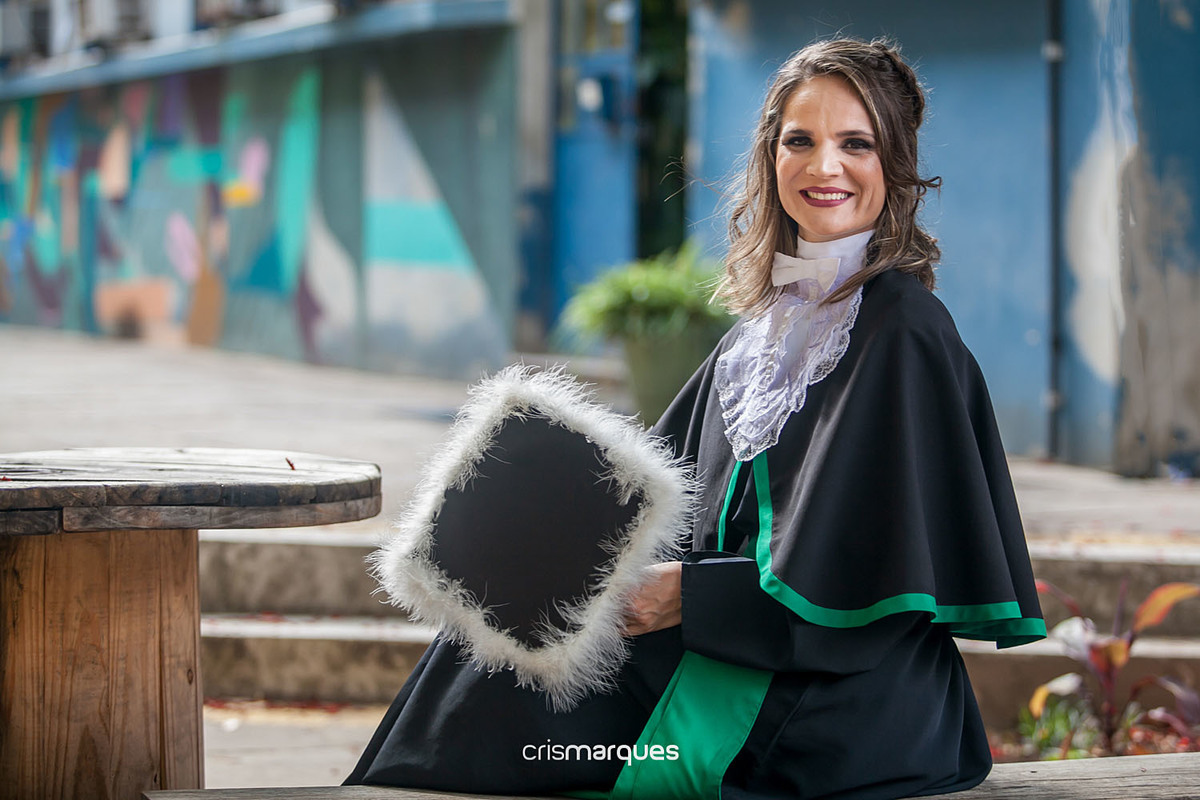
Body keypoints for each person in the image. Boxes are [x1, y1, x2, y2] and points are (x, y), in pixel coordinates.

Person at [347, 37, 1045, 799]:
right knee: (492, 640)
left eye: (857, 144)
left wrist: (689, 596)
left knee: (524, 737)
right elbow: (673, 499)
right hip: (734, 641)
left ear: (895, 167)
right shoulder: (761, 330)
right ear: (769, 157)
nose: (823, 167)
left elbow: (864, 583)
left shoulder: (905, 332)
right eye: (799, 141)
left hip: (829, 701)